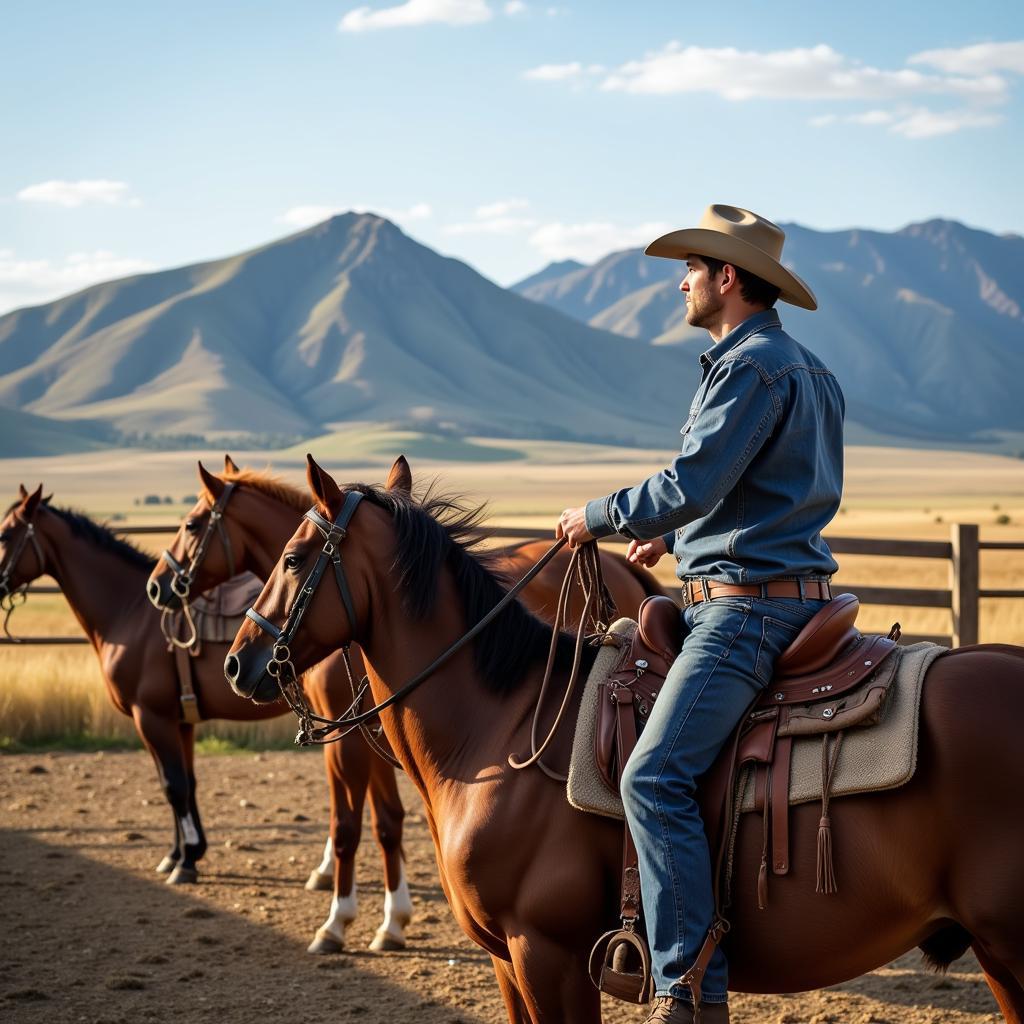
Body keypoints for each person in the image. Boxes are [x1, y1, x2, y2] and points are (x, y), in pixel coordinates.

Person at [556, 204, 845, 1024]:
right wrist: (678, 536)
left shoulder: (748, 366)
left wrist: (601, 516)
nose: (679, 280)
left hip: (745, 615)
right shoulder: (808, 367)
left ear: (727, 277)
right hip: (791, 594)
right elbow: (769, 490)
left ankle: (688, 986)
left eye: (690, 267)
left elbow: (693, 478)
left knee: (652, 776)